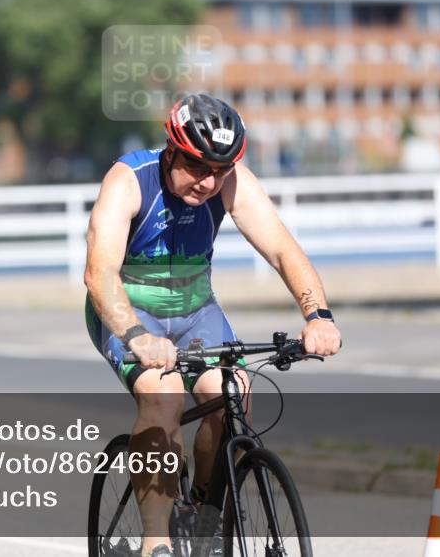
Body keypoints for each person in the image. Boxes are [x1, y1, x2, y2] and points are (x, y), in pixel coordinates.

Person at [84, 93, 342, 557]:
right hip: (130, 310)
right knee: (162, 397)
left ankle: (204, 508)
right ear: (171, 150)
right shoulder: (129, 180)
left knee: (234, 391)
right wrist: (138, 337)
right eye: (198, 166)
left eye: (220, 170)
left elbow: (282, 249)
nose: (209, 181)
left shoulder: (229, 181)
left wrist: (317, 315)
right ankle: (155, 541)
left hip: (197, 311)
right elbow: (100, 274)